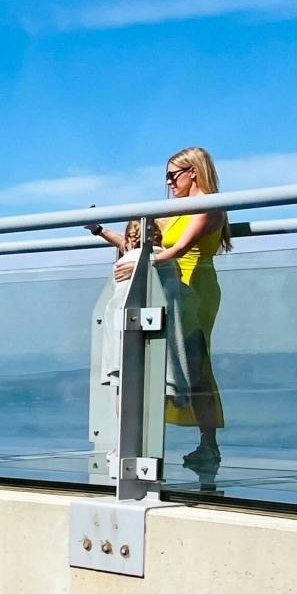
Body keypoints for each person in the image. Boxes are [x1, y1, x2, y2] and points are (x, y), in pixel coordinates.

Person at [92, 145, 229, 472]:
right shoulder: (170, 210)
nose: (168, 182)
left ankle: (208, 445)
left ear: (192, 172)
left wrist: (142, 260)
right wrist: (102, 232)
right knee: (148, 358)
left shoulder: (209, 206)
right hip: (164, 283)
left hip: (195, 285)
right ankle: (136, 440)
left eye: (173, 175)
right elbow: (139, 243)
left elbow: (181, 247)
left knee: (196, 362)